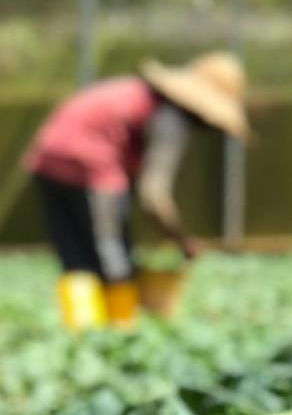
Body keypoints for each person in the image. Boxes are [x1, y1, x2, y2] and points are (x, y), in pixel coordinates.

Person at [23, 51, 250, 329]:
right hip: (92, 164)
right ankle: (120, 334)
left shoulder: (138, 94)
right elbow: (153, 195)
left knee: (76, 258)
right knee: (113, 256)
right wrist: (181, 239)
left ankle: (81, 338)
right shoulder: (170, 119)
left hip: (47, 159)